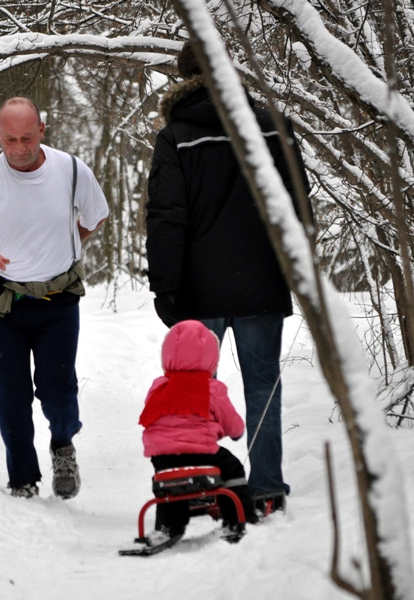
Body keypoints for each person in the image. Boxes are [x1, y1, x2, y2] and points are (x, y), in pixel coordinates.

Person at [145, 41, 311, 502]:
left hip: (200, 290)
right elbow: (298, 207)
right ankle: (266, 489)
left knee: (194, 390)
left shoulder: (176, 136)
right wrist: (296, 271)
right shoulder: (273, 127)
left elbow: (166, 216)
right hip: (262, 283)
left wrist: (165, 287)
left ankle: (199, 482)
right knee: (263, 387)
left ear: (184, 78)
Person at [0, 97, 109, 499]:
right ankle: (23, 479)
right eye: (10, 139)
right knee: (10, 395)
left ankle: (63, 445)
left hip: (58, 297)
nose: (19, 148)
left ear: (42, 130)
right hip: (4, 302)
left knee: (58, 390)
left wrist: (66, 242)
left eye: (27, 138)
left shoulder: (71, 170)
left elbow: (96, 216)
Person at [140, 320, 258, 543]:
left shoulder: (159, 386)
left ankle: (169, 526)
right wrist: (235, 433)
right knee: (232, 468)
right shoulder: (211, 388)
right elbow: (232, 423)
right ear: (211, 359)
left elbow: (151, 418)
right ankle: (240, 517)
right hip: (201, 454)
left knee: (170, 484)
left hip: (163, 458)